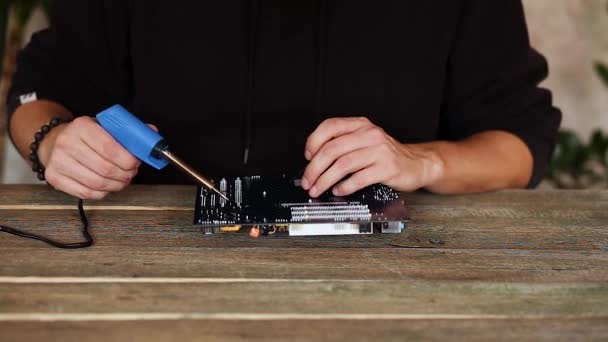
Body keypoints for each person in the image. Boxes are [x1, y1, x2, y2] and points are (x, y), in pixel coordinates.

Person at [6, 1, 561, 200]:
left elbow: (519, 143)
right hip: (157, 272)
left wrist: (426, 159)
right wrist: (53, 143)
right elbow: (42, 90)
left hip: (397, 278)